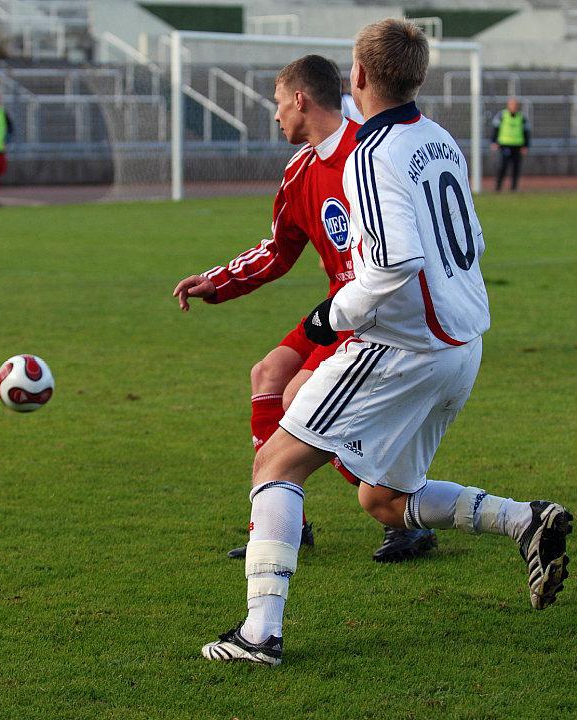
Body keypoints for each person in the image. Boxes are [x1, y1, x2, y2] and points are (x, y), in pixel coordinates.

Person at [201, 19, 572, 666]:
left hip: (402, 344)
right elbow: (473, 241)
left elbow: (392, 263)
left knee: (277, 464)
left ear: (360, 77)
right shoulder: (438, 138)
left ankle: (260, 634)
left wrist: (328, 318)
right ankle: (524, 520)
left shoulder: (371, 155)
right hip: (462, 345)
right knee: (383, 500)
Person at [173, 55, 436, 564]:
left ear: (300, 100)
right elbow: (277, 250)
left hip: (374, 313)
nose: (275, 117)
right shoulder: (299, 171)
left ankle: (404, 514)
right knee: (268, 373)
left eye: (277, 104)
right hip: (335, 308)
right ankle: (280, 519)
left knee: (299, 396)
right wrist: (217, 281)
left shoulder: (371, 153)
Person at [491, 97, 530, 192]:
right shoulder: (502, 115)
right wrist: (494, 141)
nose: (513, 107)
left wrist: (526, 145)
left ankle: (514, 187)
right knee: (503, 165)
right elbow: (495, 129)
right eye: (512, 105)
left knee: (516, 167)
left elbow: (526, 132)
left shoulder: (522, 117)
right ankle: (498, 186)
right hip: (505, 144)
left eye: (515, 105)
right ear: (508, 105)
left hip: (517, 145)